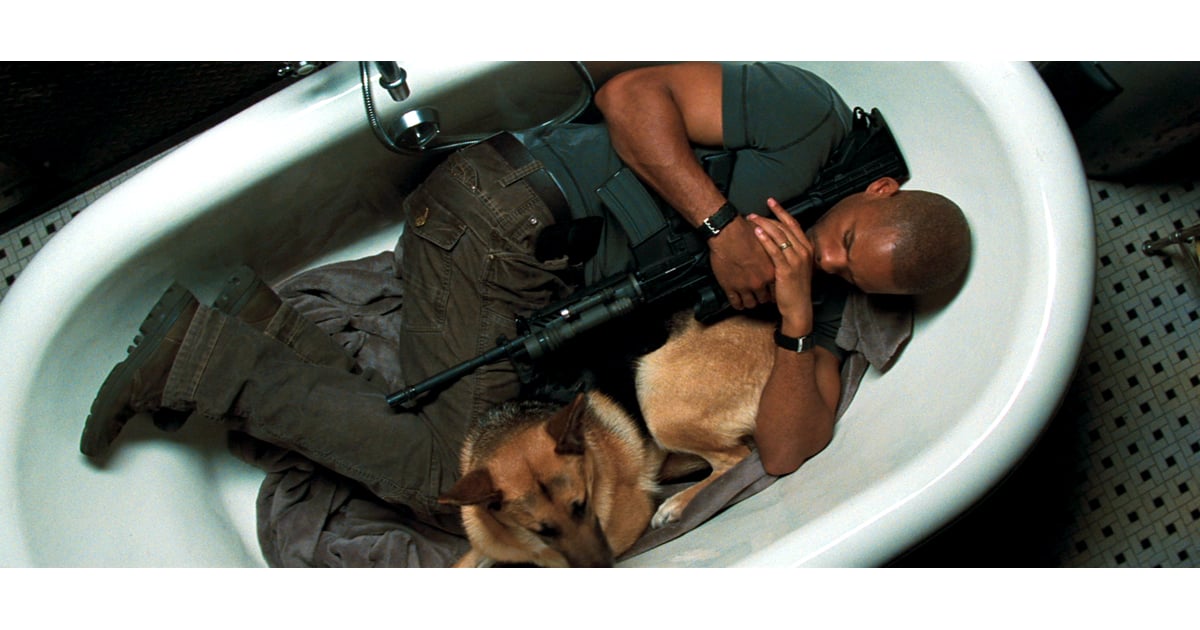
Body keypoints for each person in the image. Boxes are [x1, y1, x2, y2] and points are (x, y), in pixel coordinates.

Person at [79, 62, 970, 549]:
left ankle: (262, 328)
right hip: (508, 212)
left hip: (533, 282)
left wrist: (799, 318)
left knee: (454, 442)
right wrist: (719, 224)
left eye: (854, 275)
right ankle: (204, 359)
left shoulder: (812, 288)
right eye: (848, 237)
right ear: (877, 188)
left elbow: (784, 448)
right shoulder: (808, 122)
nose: (824, 255)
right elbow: (630, 95)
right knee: (453, 481)